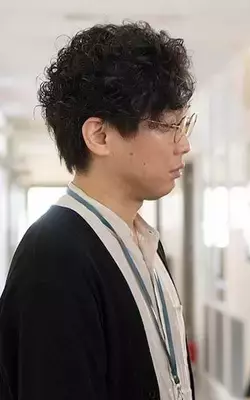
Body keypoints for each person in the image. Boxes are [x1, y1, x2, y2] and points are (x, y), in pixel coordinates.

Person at [0, 22, 197, 400]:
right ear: (100, 136)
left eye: (183, 123)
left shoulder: (146, 244)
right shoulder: (55, 255)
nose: (183, 144)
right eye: (167, 126)